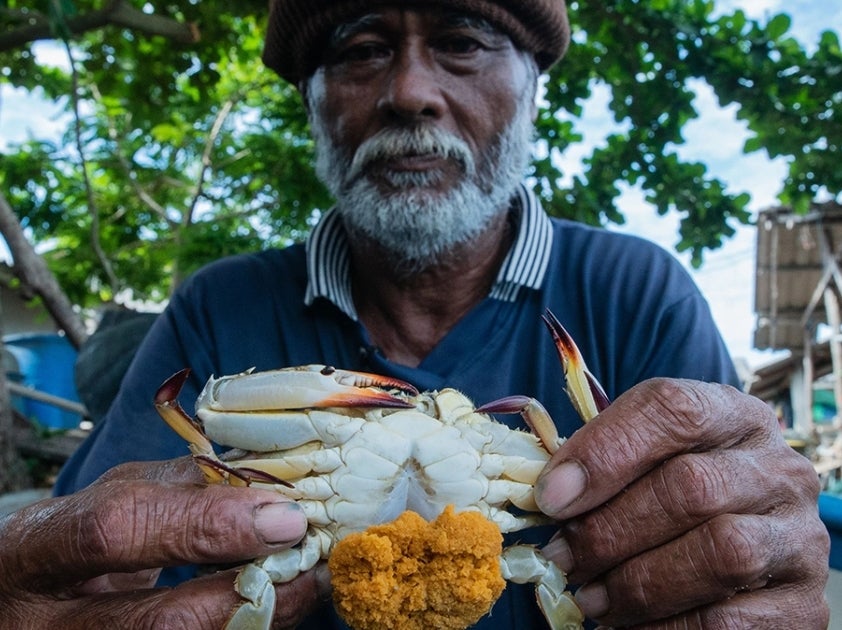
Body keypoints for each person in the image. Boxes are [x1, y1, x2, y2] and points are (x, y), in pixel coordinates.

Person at [0, 0, 830, 627]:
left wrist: (755, 552)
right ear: (311, 99)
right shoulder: (221, 309)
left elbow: (729, 526)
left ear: (534, 85)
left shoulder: (636, 292)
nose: (410, 92)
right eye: (362, 48)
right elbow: (94, 560)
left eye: (462, 41)